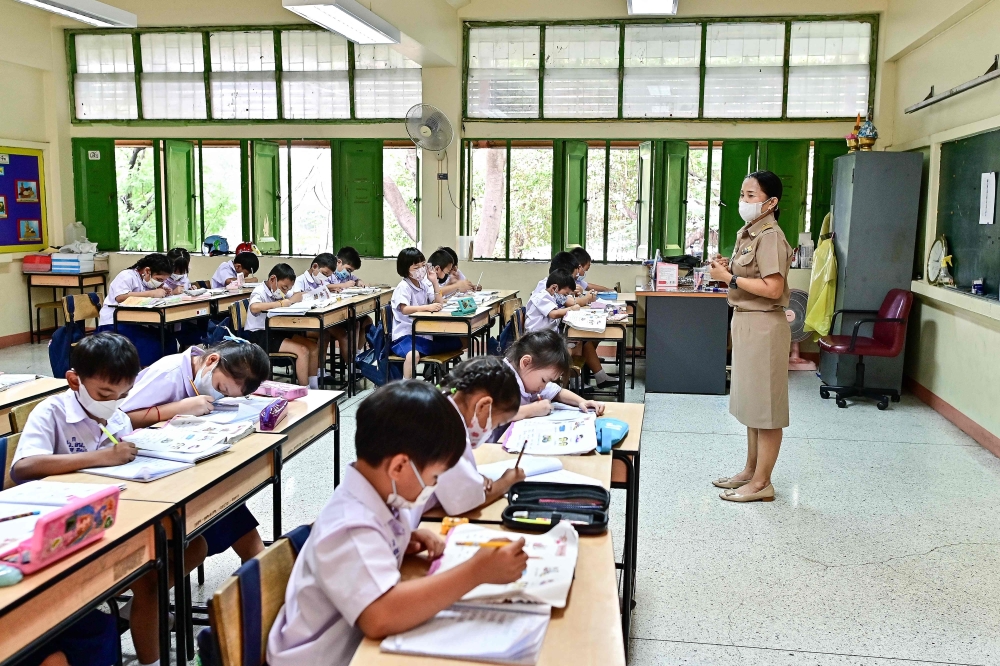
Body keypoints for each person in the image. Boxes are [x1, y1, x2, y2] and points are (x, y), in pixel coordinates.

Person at [266, 381, 528, 666]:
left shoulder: (384, 498)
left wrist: (402, 540)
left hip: (353, 646)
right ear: (399, 467)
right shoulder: (349, 526)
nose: (434, 485)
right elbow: (380, 616)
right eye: (434, 477)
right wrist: (477, 571)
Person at [10, 333, 206, 666]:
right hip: (64, 526)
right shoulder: (52, 411)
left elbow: (127, 463)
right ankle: (139, 608)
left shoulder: (117, 416)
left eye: (123, 395)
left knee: (192, 546)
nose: (114, 403)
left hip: (115, 513)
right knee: (151, 571)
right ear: (75, 381)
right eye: (104, 394)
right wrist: (101, 458)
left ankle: (138, 606)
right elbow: (24, 467)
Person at [120, 338, 271, 561]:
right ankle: (259, 562)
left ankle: (259, 561)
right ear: (211, 360)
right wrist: (177, 408)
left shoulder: (200, 374)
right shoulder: (169, 373)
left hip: (180, 454)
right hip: (140, 461)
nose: (219, 395)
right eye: (220, 388)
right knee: (215, 496)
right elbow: (121, 419)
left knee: (224, 492)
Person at [708, 170, 794, 503]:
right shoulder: (750, 233)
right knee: (752, 406)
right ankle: (749, 471)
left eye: (751, 196)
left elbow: (772, 288)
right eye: (742, 195)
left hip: (764, 326)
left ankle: (762, 484)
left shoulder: (770, 236)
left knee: (766, 410)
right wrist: (728, 270)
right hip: (746, 321)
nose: (744, 201)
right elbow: (750, 277)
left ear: (770, 203)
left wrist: (729, 277)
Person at [420, 357, 524, 518]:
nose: (491, 431)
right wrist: (507, 482)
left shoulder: (440, 407)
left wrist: (471, 479)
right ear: (483, 406)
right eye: (497, 424)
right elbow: (463, 503)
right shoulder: (446, 429)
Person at [502, 330, 605, 429]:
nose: (544, 386)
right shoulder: (500, 379)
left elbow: (557, 392)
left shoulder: (527, 378)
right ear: (526, 363)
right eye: (543, 380)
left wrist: (582, 402)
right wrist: (532, 410)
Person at [390, 247, 463, 379]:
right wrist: (427, 307)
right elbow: (404, 309)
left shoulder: (423, 284)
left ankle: (437, 373)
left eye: (423, 265)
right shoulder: (403, 287)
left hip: (422, 333)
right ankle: (405, 386)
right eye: (416, 267)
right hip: (405, 335)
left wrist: (434, 282)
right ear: (405, 269)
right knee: (413, 355)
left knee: (457, 342)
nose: (421, 269)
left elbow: (438, 302)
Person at [245, 263, 320, 387]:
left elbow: (297, 296)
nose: (285, 291)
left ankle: (315, 387)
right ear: (272, 279)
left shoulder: (280, 292)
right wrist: (279, 304)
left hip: (277, 331)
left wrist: (291, 300)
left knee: (313, 348)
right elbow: (254, 307)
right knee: (303, 351)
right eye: (284, 287)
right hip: (260, 335)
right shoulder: (259, 291)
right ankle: (306, 391)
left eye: (288, 289)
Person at [96, 253, 175, 366]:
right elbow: (120, 297)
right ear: (147, 271)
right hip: (114, 324)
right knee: (152, 345)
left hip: (135, 323)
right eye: (159, 279)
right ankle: (142, 372)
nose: (161, 282)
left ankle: (166, 371)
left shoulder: (145, 280)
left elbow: (144, 295)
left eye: (163, 280)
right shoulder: (127, 275)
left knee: (168, 339)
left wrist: (160, 289)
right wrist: (151, 293)